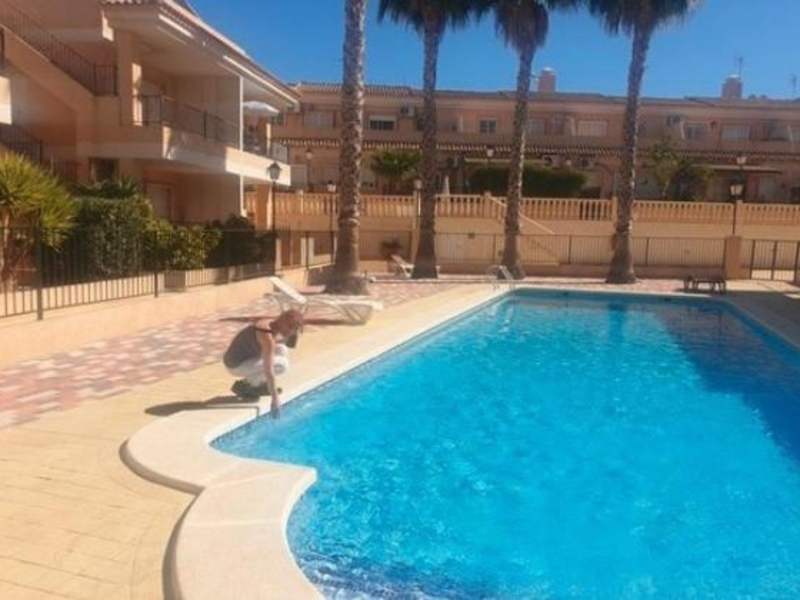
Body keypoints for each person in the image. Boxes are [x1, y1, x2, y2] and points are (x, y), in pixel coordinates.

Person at [223, 309, 303, 418]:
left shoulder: (270, 323)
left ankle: (260, 384)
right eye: (290, 327)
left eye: (293, 329)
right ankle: (246, 385)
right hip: (235, 365)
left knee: (282, 349)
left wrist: (289, 335)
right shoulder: (267, 336)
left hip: (243, 357)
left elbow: (282, 344)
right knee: (282, 365)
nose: (291, 332)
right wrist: (275, 399)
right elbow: (268, 370)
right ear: (283, 322)